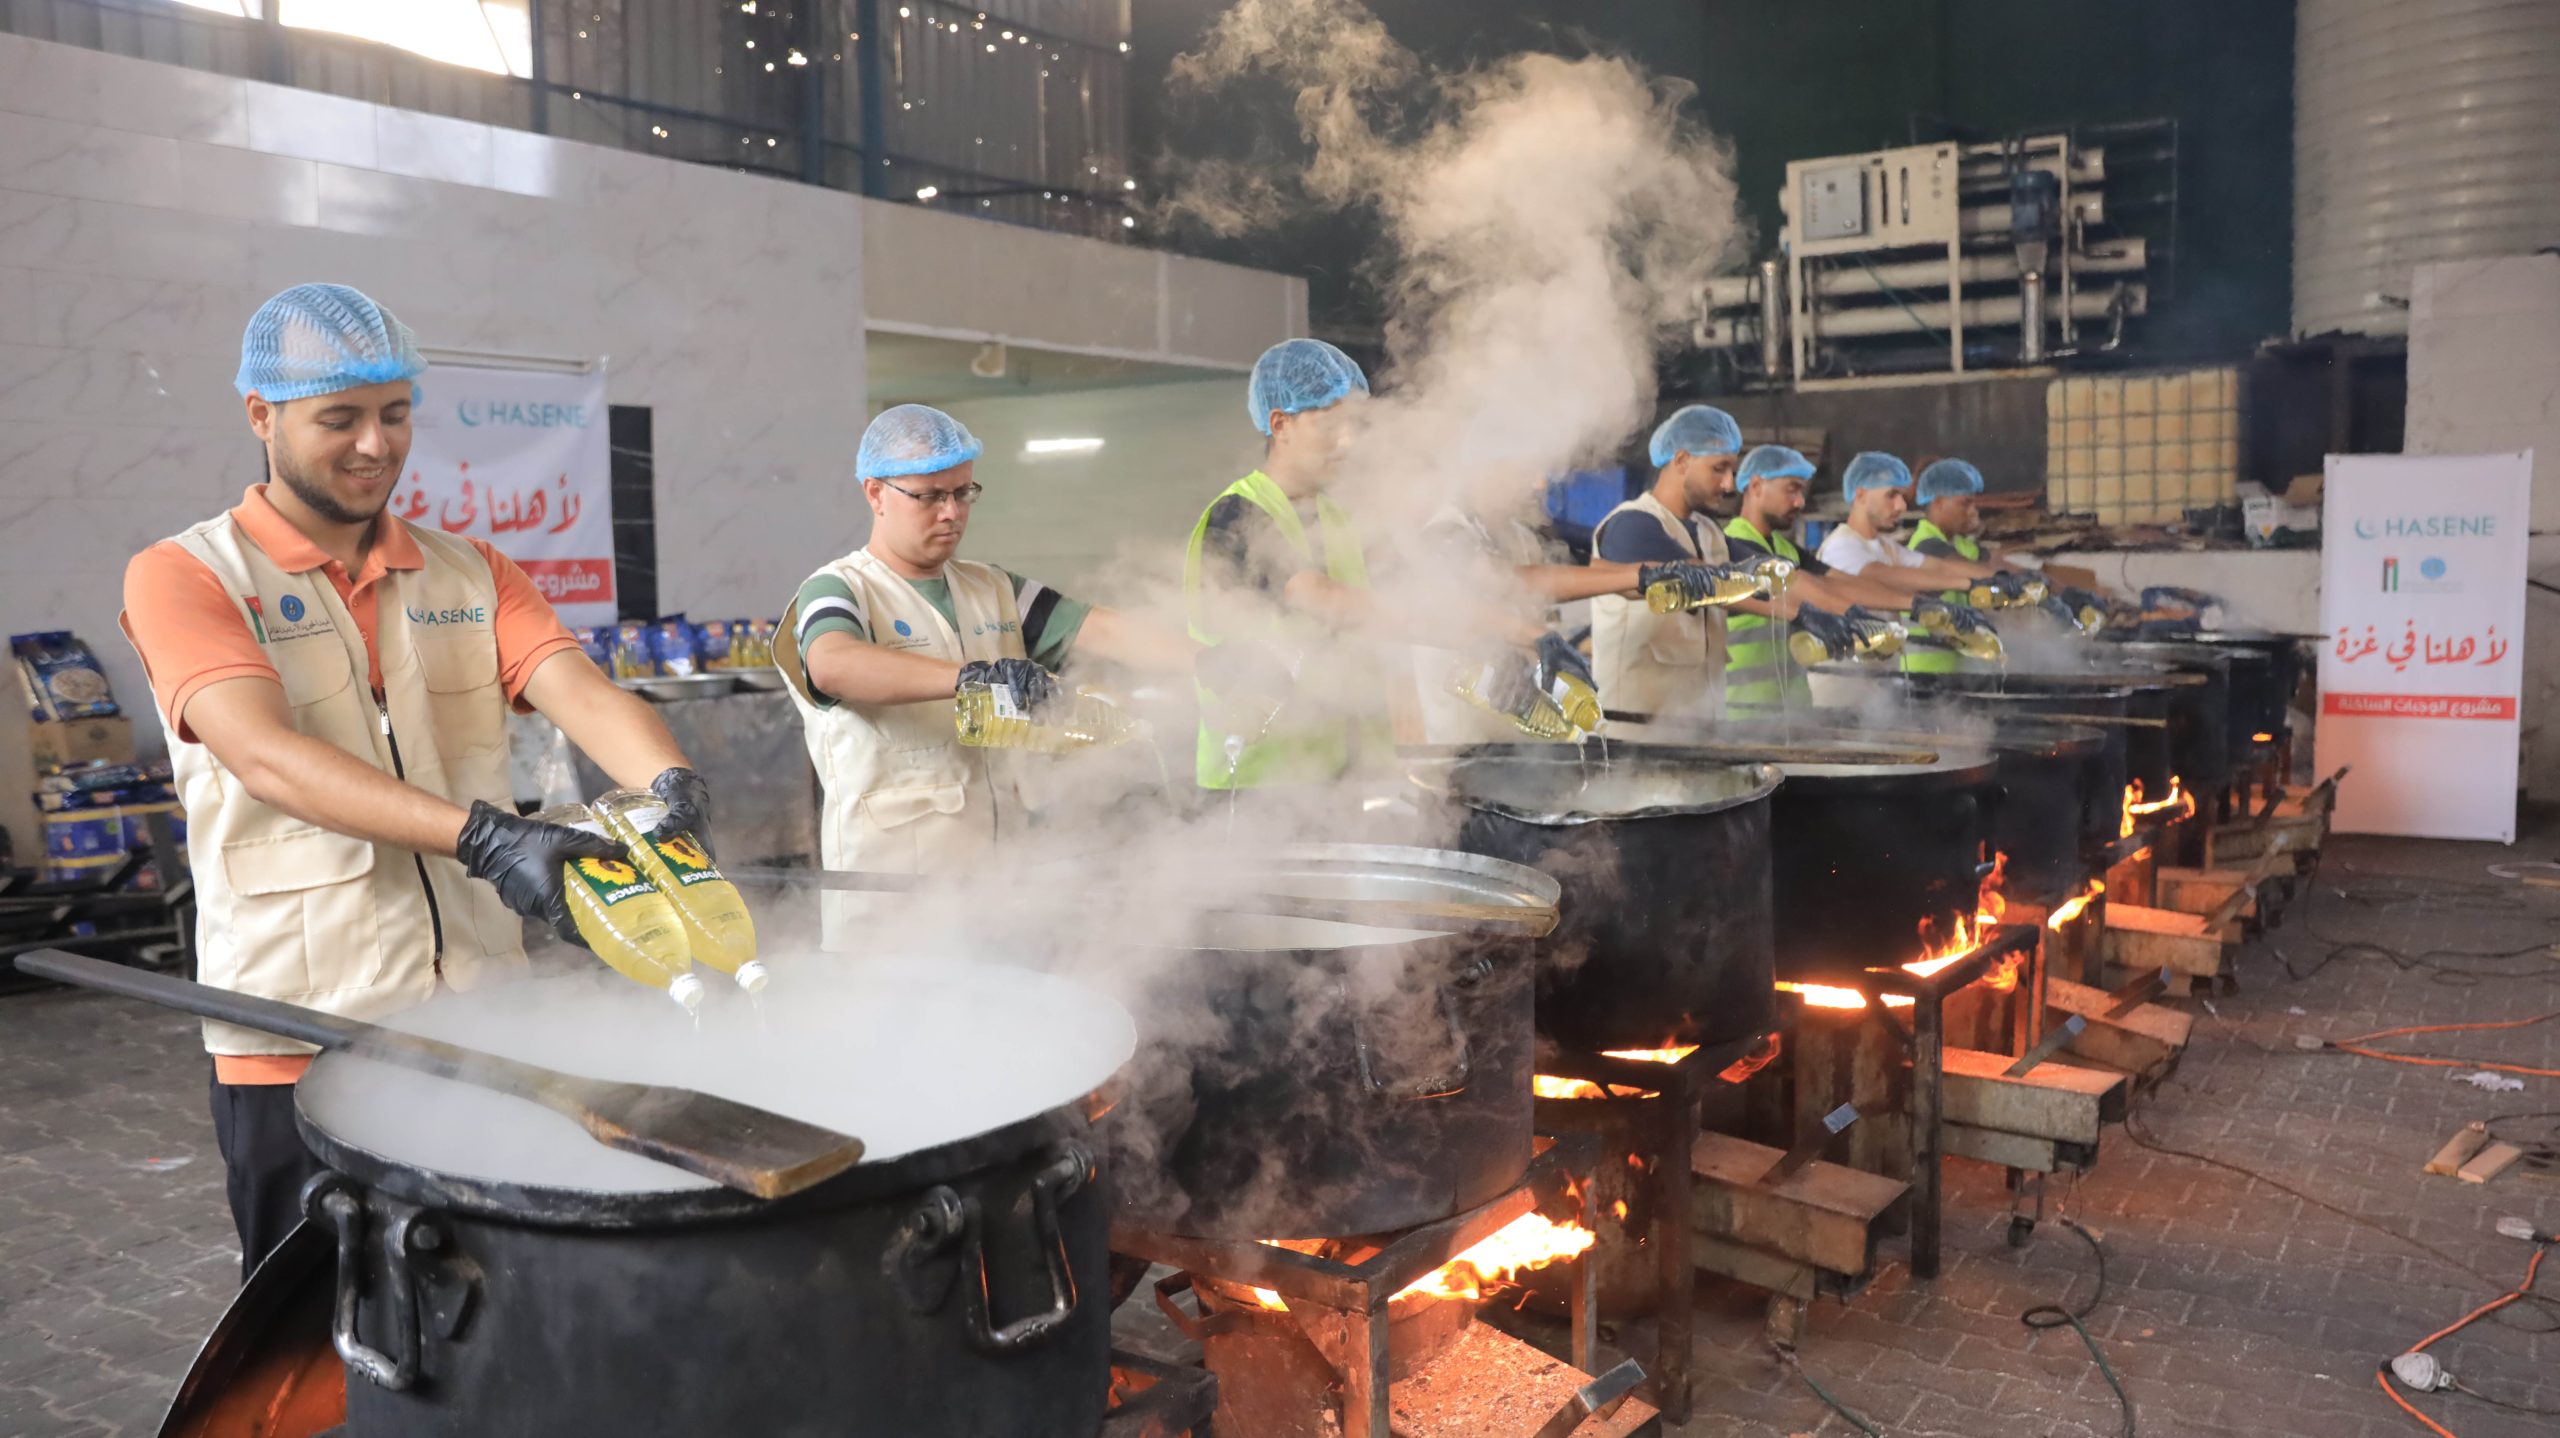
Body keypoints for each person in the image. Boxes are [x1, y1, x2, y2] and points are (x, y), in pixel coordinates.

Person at [120, 284, 713, 1277]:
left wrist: (673, 782)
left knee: (491, 1304)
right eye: (339, 419)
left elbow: (580, 690)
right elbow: (264, 753)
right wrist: (487, 838)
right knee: (316, 1327)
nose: (375, 445)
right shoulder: (189, 575)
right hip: (300, 1026)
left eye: (395, 414)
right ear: (261, 416)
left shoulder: (470, 571)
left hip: (479, 1019)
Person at [778, 404, 1190, 946]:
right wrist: (972, 677)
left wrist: (1212, 658)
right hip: (896, 904)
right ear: (876, 493)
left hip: (1002, 890)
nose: (951, 513)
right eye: (930, 496)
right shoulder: (840, 589)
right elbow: (834, 663)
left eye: (963, 493)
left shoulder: (992, 588)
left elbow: (1102, 630)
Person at [1184, 339, 1392, 789]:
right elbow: (1318, 597)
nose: (1349, 440)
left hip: (1336, 777)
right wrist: (1445, 622)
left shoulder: (1336, 518)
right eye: (1331, 422)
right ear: (1281, 424)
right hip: (1255, 784)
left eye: (1356, 423)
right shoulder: (1237, 514)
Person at [1720, 445, 1931, 708]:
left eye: (1801, 491)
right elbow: (1805, 589)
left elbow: (1836, 582)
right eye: (1792, 489)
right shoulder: (1735, 545)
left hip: (1793, 706)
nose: (1800, 501)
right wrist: (1857, 615)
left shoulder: (1784, 548)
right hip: (1744, 708)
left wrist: (1916, 604)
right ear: (1756, 486)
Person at [1588, 405, 1742, 731]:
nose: (1730, 485)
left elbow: (1802, 578)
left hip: (1702, 735)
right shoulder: (1631, 524)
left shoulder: (1709, 532)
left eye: (1733, 471)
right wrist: (1795, 610)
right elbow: (1714, 584)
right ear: (1682, 460)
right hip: (1635, 741)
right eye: (1719, 468)